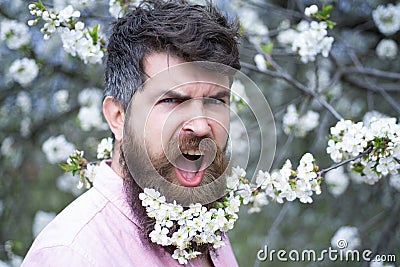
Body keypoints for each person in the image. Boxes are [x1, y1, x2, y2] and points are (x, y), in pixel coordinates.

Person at [22, 0, 241, 266]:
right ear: (118, 117)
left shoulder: (205, 223)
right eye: (171, 101)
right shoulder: (73, 255)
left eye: (216, 101)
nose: (202, 126)